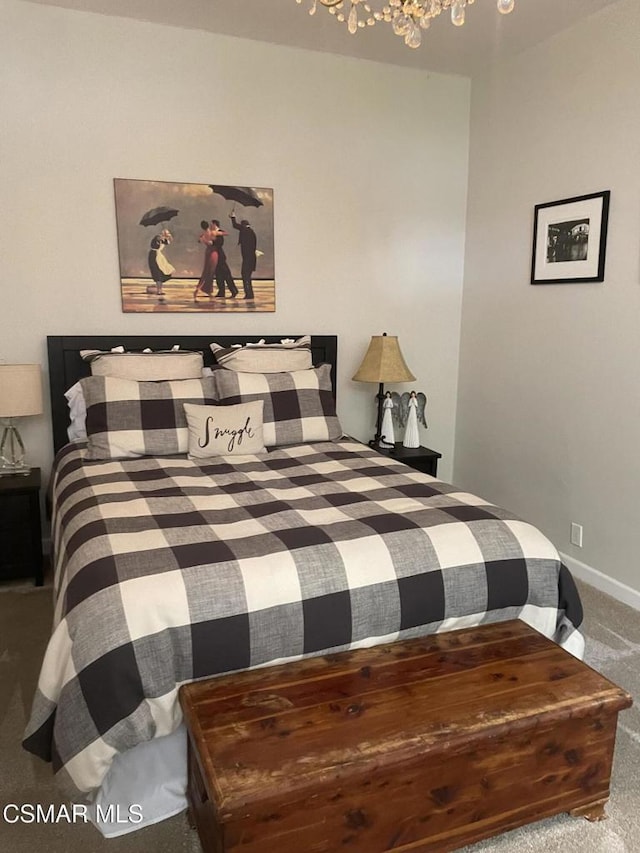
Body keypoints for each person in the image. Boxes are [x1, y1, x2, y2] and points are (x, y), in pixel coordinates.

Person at [230, 213, 258, 299]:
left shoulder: (245, 230)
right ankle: (250, 293)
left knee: (245, 275)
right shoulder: (252, 232)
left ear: (243, 225)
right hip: (251, 258)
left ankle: (248, 294)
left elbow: (235, 225)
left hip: (247, 259)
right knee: (247, 276)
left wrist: (233, 217)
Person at [193, 220, 221, 301]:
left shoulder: (203, 234)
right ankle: (200, 289)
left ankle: (205, 290)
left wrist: (203, 240)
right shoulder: (211, 233)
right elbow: (211, 242)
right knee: (209, 272)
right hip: (213, 252)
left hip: (208, 252)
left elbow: (199, 241)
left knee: (207, 271)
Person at [210, 220, 238, 299]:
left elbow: (219, 243)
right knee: (218, 275)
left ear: (215, 224)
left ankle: (233, 290)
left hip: (220, 256)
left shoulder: (220, 232)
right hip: (215, 256)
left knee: (226, 274)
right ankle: (221, 291)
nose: (210, 225)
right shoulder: (213, 232)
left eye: (211, 224)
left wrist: (212, 242)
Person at [147, 229, 174, 301]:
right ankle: (159, 290)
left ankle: (160, 290)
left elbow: (168, 241)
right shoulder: (158, 237)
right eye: (166, 234)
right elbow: (155, 244)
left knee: (161, 272)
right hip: (154, 256)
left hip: (158, 256)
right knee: (157, 272)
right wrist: (161, 238)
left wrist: (168, 237)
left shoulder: (164, 239)